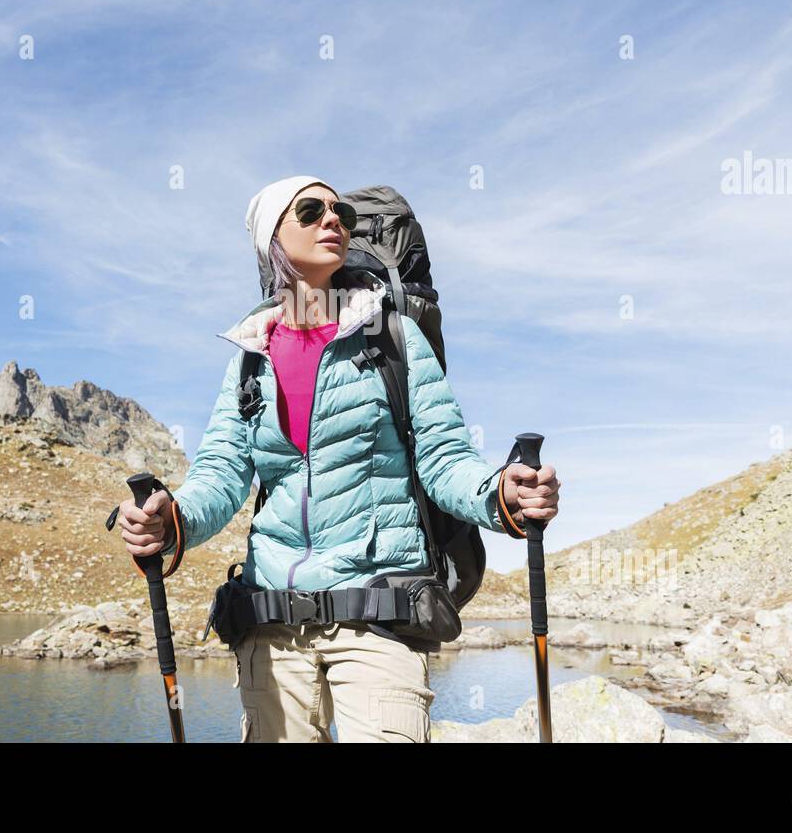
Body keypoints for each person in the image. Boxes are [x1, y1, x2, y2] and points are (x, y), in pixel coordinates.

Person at [116, 175, 561, 742]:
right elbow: (221, 475)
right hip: (269, 621)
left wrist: (504, 494)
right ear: (270, 241)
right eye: (310, 211)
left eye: (341, 212)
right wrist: (170, 519)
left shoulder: (393, 338)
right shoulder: (251, 360)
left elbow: (444, 456)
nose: (334, 221)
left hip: (380, 614)